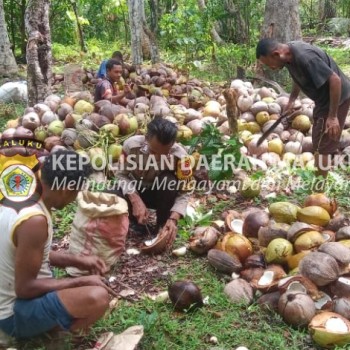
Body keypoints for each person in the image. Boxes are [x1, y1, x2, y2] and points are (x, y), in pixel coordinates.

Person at [0, 150, 116, 340]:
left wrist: (79, 261)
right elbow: (24, 288)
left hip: (11, 292)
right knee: (98, 297)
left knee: (80, 289)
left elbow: (29, 252)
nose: (73, 199)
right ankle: (54, 337)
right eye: (75, 192)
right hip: (11, 313)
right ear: (65, 189)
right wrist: (80, 281)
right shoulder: (34, 222)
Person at [256, 38, 350, 177]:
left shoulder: (305, 58)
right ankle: (321, 182)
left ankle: (319, 192)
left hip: (337, 97)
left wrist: (332, 116)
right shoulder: (287, 58)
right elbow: (298, 77)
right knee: (320, 142)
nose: (271, 68)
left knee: (322, 147)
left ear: (276, 54)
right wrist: (292, 99)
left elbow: (335, 80)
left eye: (269, 64)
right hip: (323, 101)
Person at [115, 118, 191, 248]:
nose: (156, 157)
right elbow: (121, 174)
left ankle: (162, 226)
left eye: (164, 154)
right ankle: (134, 223)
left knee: (169, 181)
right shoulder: (131, 146)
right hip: (137, 190)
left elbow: (186, 190)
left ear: (173, 144)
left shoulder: (182, 158)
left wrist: (173, 218)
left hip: (161, 196)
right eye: (153, 151)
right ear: (146, 139)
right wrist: (134, 198)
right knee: (111, 193)